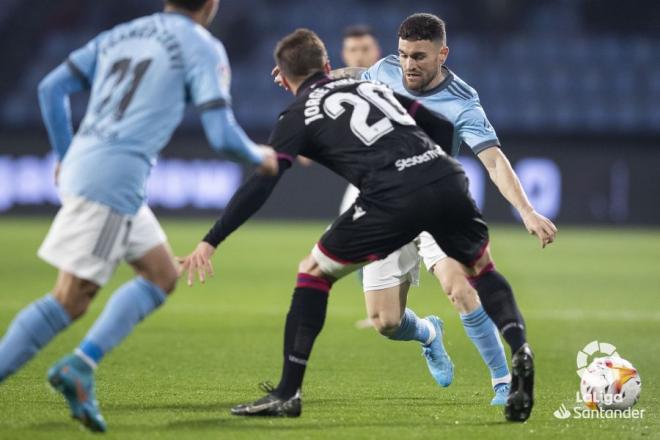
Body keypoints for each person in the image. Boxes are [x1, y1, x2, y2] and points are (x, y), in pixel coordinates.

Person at [181, 28, 535, 422]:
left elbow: (262, 183)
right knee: (476, 271)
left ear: (283, 76)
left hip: (392, 195)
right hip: (443, 178)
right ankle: (519, 346)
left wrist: (212, 239)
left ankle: (287, 393)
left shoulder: (298, 113)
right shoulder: (377, 88)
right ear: (329, 66)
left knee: (313, 273)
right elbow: (442, 130)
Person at [0, 0, 276, 432]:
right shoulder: (201, 46)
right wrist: (262, 156)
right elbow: (222, 136)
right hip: (114, 179)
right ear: (211, 4)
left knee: (161, 273)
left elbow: (49, 89)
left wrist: (66, 154)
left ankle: (81, 364)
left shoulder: (124, 33)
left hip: (103, 172)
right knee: (70, 298)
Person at [334, 13, 558, 406]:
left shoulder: (462, 102)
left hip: (439, 205)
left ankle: (502, 381)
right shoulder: (385, 70)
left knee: (460, 288)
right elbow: (360, 74)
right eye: (403, 54)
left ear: (442, 54)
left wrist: (526, 210)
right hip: (386, 204)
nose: (408, 65)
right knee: (385, 322)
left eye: (419, 56)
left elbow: (494, 161)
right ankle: (428, 334)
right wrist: (320, 77)